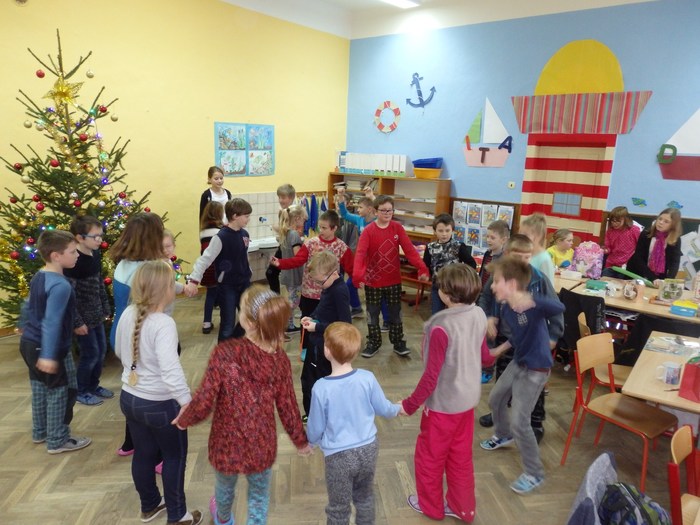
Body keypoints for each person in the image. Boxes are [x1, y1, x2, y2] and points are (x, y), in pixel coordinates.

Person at [173, 285, 312, 525]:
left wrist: (185, 419)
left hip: (225, 442)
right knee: (259, 497)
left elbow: (205, 400)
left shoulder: (225, 353)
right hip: (261, 443)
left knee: (224, 489)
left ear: (247, 322)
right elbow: (288, 406)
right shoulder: (279, 360)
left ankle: (223, 519)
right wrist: (300, 440)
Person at [115, 260, 200, 525]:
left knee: (144, 452)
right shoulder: (163, 323)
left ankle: (150, 505)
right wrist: (186, 402)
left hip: (129, 397)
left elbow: (119, 350)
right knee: (175, 457)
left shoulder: (129, 313)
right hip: (160, 405)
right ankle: (178, 515)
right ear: (165, 290)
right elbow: (170, 369)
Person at [401, 264, 486, 522]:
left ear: (445, 294)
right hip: (467, 403)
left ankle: (431, 507)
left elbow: (431, 377)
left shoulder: (439, 326)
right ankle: (463, 508)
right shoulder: (479, 313)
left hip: (442, 408)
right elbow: (485, 357)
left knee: (430, 457)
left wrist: (409, 404)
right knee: (461, 457)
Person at [479, 257, 564, 495]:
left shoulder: (533, 304)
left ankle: (534, 473)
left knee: (520, 421)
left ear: (512, 284)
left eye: (496, 281)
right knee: (495, 399)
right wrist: (498, 350)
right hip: (519, 361)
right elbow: (517, 336)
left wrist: (533, 299)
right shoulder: (507, 308)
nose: (492, 286)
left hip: (536, 369)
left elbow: (559, 308)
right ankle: (503, 435)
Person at [307, 322, 400, 525]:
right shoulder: (367, 378)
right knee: (365, 498)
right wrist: (397, 408)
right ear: (356, 351)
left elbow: (316, 427)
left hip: (338, 456)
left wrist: (310, 442)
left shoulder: (320, 388)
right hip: (369, 449)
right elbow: (384, 408)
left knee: (338, 509)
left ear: (327, 351)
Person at [19, 229, 91, 454]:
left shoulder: (39, 275)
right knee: (62, 391)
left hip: (29, 344)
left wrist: (24, 325)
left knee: (40, 388)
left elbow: (27, 304)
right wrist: (49, 355)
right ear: (56, 256)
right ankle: (58, 439)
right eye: (72, 251)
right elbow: (51, 321)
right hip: (48, 347)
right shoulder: (61, 285)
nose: (77, 255)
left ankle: (40, 431)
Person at [109, 211, 166, 456]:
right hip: (141, 335)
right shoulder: (148, 269)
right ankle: (154, 448)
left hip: (121, 332)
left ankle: (130, 442)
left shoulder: (123, 264)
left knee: (133, 383)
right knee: (152, 391)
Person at [270, 209, 354, 360]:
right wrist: (280, 263)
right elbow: (298, 260)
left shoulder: (341, 247)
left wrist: (359, 279)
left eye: (324, 228)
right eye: (319, 227)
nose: (320, 231)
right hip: (309, 293)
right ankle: (305, 348)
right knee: (307, 320)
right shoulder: (311, 243)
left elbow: (351, 267)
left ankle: (328, 347)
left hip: (329, 294)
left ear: (334, 228)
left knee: (326, 322)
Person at [353, 195, 429, 358]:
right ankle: (373, 342)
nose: (387, 213)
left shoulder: (397, 228)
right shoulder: (368, 231)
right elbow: (360, 254)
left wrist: (422, 268)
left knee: (395, 313)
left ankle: (398, 342)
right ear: (375, 211)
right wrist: (358, 276)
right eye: (383, 210)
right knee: (373, 314)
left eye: (390, 210)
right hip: (373, 282)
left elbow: (410, 251)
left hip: (393, 281)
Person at [184, 198, 253, 342]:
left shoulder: (245, 234)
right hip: (227, 286)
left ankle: (233, 343)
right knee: (227, 324)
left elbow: (243, 257)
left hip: (244, 283)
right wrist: (194, 281)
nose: (248, 219)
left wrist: (248, 272)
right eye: (246, 216)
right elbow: (205, 259)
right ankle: (223, 353)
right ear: (235, 216)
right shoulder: (221, 237)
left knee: (248, 318)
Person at [64, 215, 112, 407]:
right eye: (95, 236)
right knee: (90, 354)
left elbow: (99, 283)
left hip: (97, 314)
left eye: (101, 235)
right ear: (79, 238)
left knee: (100, 351)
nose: (100, 239)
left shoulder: (95, 254)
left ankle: (93, 385)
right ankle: (81, 390)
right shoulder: (73, 262)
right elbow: (69, 296)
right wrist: (77, 322)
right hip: (82, 319)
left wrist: (105, 306)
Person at [299, 251, 352, 419]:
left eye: (319, 282)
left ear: (333, 273)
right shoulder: (329, 286)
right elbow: (323, 309)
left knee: (316, 383)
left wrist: (318, 327)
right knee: (307, 380)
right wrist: (312, 317)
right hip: (317, 343)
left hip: (325, 347)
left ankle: (319, 416)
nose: (318, 285)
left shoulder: (339, 291)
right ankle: (312, 414)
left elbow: (345, 325)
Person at [423, 213, 477, 314]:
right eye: (440, 231)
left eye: (447, 230)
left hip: (454, 288)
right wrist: (426, 274)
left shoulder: (458, 246)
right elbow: (426, 265)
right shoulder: (430, 247)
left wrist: (462, 278)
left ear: (452, 230)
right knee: (437, 314)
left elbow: (471, 263)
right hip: (437, 286)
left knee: (455, 314)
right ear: (434, 231)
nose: (444, 234)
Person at [626, 207, 682, 287]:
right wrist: (652, 277)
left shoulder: (675, 240)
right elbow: (638, 258)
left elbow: (674, 263)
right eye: (660, 219)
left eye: (666, 221)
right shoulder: (646, 234)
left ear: (673, 225)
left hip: (658, 279)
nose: (661, 222)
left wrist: (668, 281)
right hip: (637, 273)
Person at [277, 204, 306, 334]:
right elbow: (298, 256)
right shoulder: (294, 234)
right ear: (297, 218)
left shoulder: (286, 232)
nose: (304, 221)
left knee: (291, 299)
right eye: (303, 219)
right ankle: (288, 326)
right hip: (294, 274)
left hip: (287, 273)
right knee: (293, 302)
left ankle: (287, 324)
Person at [198, 201, 224, 334]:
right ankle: (225, 321)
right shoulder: (220, 232)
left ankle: (206, 323)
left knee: (210, 295)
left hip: (206, 269)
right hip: (217, 268)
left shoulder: (203, 232)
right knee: (224, 295)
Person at [266, 183, 296, 294]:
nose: (280, 200)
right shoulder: (283, 211)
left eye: (283, 197)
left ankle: (279, 298)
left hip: (291, 248)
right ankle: (276, 298)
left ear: (291, 198)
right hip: (283, 246)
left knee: (291, 279)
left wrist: (277, 228)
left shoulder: (293, 212)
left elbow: (292, 230)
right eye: (279, 197)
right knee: (271, 272)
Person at [601, 206, 641, 278]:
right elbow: (608, 247)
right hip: (611, 264)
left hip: (626, 266)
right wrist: (605, 250)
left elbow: (640, 246)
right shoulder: (610, 231)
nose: (614, 223)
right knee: (604, 279)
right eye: (613, 221)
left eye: (618, 221)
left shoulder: (634, 230)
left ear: (626, 219)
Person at [519, 213, 555, 286]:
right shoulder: (522, 253)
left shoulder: (544, 259)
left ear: (538, 236)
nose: (520, 237)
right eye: (520, 233)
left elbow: (548, 287)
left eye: (525, 235)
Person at [478, 220, 509, 288]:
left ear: (503, 240)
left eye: (492, 238)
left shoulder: (504, 259)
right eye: (487, 236)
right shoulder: (487, 254)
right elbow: (482, 273)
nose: (488, 240)